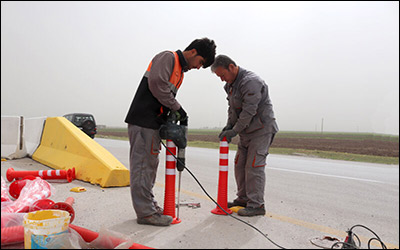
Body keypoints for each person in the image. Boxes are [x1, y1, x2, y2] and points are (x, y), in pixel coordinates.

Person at [125, 38, 217, 226]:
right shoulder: (168, 58)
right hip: (143, 122)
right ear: (192, 52)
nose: (198, 68)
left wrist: (171, 114)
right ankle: (145, 213)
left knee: (149, 168)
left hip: (152, 124)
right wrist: (178, 108)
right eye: (200, 62)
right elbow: (158, 85)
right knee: (142, 168)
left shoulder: (179, 71)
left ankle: (149, 206)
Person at [211, 55, 278, 216]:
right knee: (240, 164)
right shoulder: (230, 85)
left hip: (261, 130)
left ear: (232, 67)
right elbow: (233, 109)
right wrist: (229, 125)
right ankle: (243, 199)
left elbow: (249, 110)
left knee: (254, 166)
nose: (222, 80)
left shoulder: (251, 82)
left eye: (222, 75)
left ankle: (256, 205)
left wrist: (234, 130)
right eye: (219, 77)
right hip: (246, 131)